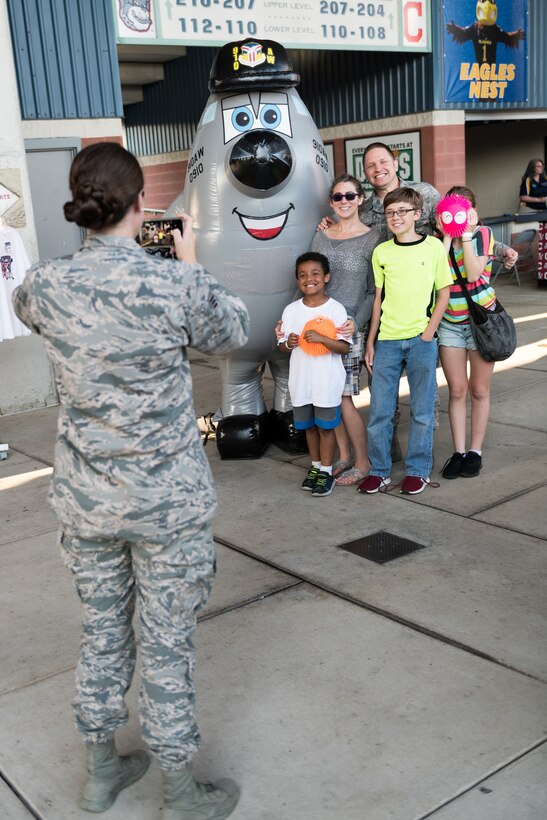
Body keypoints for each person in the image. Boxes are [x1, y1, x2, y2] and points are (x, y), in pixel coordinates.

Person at [12, 142, 249, 819]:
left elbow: (31, 311)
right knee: (167, 643)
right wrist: (190, 259)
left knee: (102, 632)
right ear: (142, 202)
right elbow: (230, 330)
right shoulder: (173, 283)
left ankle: (98, 775)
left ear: (82, 203)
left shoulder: (46, 284)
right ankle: (179, 793)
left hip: (88, 504)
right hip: (165, 505)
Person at [360, 187, 452, 495]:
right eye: (390, 213)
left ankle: (417, 470)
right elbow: (378, 300)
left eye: (401, 212)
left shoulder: (434, 248)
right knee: (380, 412)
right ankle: (379, 470)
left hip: (420, 340)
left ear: (417, 214)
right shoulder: (382, 252)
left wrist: (429, 333)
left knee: (423, 410)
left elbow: (443, 293)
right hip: (386, 340)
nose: (395, 218)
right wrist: (371, 342)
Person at [310, 174, 382, 486]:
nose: (344, 202)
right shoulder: (321, 237)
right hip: (319, 328)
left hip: (349, 329)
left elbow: (374, 290)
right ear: (331, 202)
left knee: (344, 398)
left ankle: (363, 462)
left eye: (350, 196)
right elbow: (311, 277)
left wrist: (359, 321)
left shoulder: (373, 238)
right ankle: (343, 456)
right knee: (327, 397)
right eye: (338, 197)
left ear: (361, 198)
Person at [278, 251, 350, 497]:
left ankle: (327, 472)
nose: (309, 279)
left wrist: (321, 338)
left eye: (315, 273)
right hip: (301, 381)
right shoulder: (291, 310)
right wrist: (289, 342)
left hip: (326, 381)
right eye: (302, 275)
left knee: (325, 428)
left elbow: (344, 347)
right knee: (308, 427)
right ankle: (315, 467)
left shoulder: (336, 309)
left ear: (326, 277)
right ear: (298, 280)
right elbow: (281, 345)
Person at [437, 186, 496, 479]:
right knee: (457, 390)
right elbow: (436, 273)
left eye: (465, 207)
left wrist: (466, 234)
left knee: (479, 389)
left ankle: (475, 451)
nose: (459, 212)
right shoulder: (439, 240)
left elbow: (473, 274)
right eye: (454, 207)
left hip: (481, 322)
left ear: (473, 210)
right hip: (450, 322)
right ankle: (458, 452)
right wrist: (447, 236)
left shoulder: (482, 234)